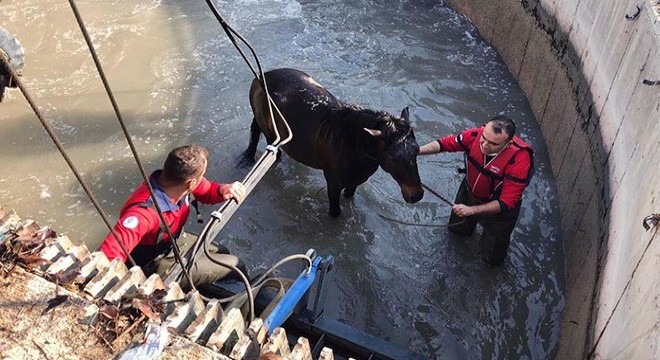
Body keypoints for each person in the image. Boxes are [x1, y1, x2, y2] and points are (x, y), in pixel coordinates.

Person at [99, 144, 247, 287]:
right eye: (202, 176)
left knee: (221, 251)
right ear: (191, 183)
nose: (203, 179)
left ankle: (207, 282)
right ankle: (245, 299)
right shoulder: (143, 215)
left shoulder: (173, 181)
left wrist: (223, 189)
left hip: (175, 241)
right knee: (236, 264)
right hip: (159, 264)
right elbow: (108, 255)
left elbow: (205, 189)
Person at [418, 115, 534, 265]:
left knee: (491, 257)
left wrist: (472, 210)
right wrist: (416, 151)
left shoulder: (519, 160)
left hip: (499, 211)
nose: (485, 145)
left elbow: (507, 202)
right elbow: (445, 144)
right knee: (456, 233)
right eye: (484, 138)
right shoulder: (475, 135)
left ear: (507, 144)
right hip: (469, 193)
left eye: (493, 144)